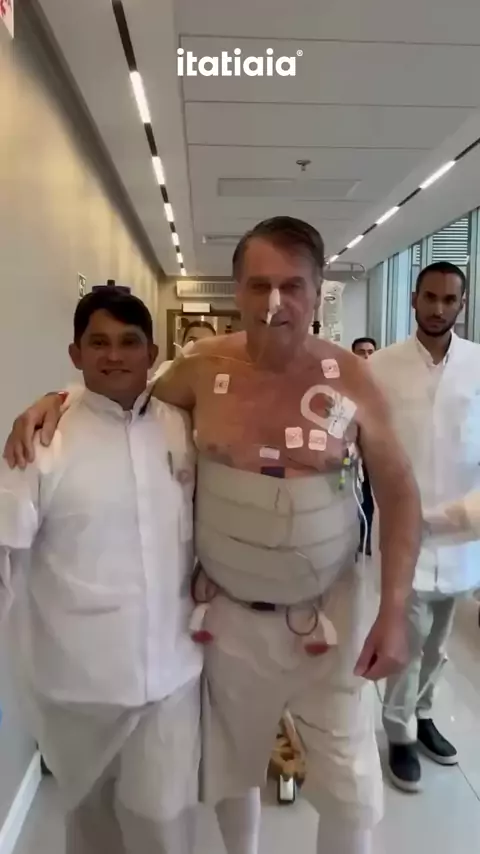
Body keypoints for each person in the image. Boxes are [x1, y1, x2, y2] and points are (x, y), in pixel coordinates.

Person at [3, 217, 422, 854]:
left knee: (350, 790)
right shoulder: (200, 368)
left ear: (318, 291)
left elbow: (399, 493)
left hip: (330, 617)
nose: (274, 302)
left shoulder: (355, 379)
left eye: (292, 285)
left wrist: (393, 613)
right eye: (258, 285)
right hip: (230, 622)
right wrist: (55, 400)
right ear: (236, 291)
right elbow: (121, 396)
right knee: (232, 771)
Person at [0, 288, 202, 854]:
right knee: (92, 829)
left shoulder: (184, 428)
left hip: (173, 676)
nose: (114, 356)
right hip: (79, 686)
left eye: (129, 342)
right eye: (99, 343)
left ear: (152, 352)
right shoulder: (43, 442)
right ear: (76, 353)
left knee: (165, 826)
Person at [369, 260, 480, 794]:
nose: (438, 308)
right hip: (403, 531)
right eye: (429, 297)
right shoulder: (381, 367)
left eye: (449, 299)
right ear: (413, 299)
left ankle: (426, 713)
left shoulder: (479, 365)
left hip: (461, 531)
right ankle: (399, 732)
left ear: (463, 304)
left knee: (438, 641)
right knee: (406, 639)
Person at [351, 337, 378, 555]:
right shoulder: (346, 380)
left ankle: (371, 539)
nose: (367, 355)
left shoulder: (384, 381)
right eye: (361, 352)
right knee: (360, 496)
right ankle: (362, 538)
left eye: (370, 351)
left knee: (375, 496)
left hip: (377, 449)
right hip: (354, 449)